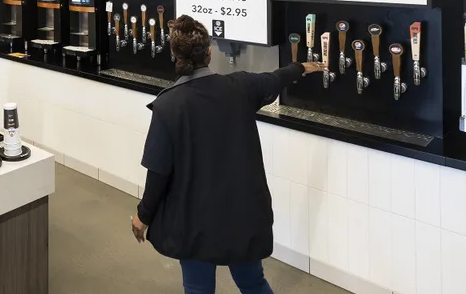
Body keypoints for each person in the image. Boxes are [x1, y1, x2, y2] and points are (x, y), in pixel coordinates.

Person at [130, 15, 323, 294]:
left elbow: (158, 173)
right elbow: (276, 78)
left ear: (174, 55)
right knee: (252, 282)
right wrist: (301, 66)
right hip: (241, 213)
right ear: (209, 53)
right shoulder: (241, 88)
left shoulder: (168, 106)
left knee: (198, 288)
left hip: (192, 219)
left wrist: (142, 216)